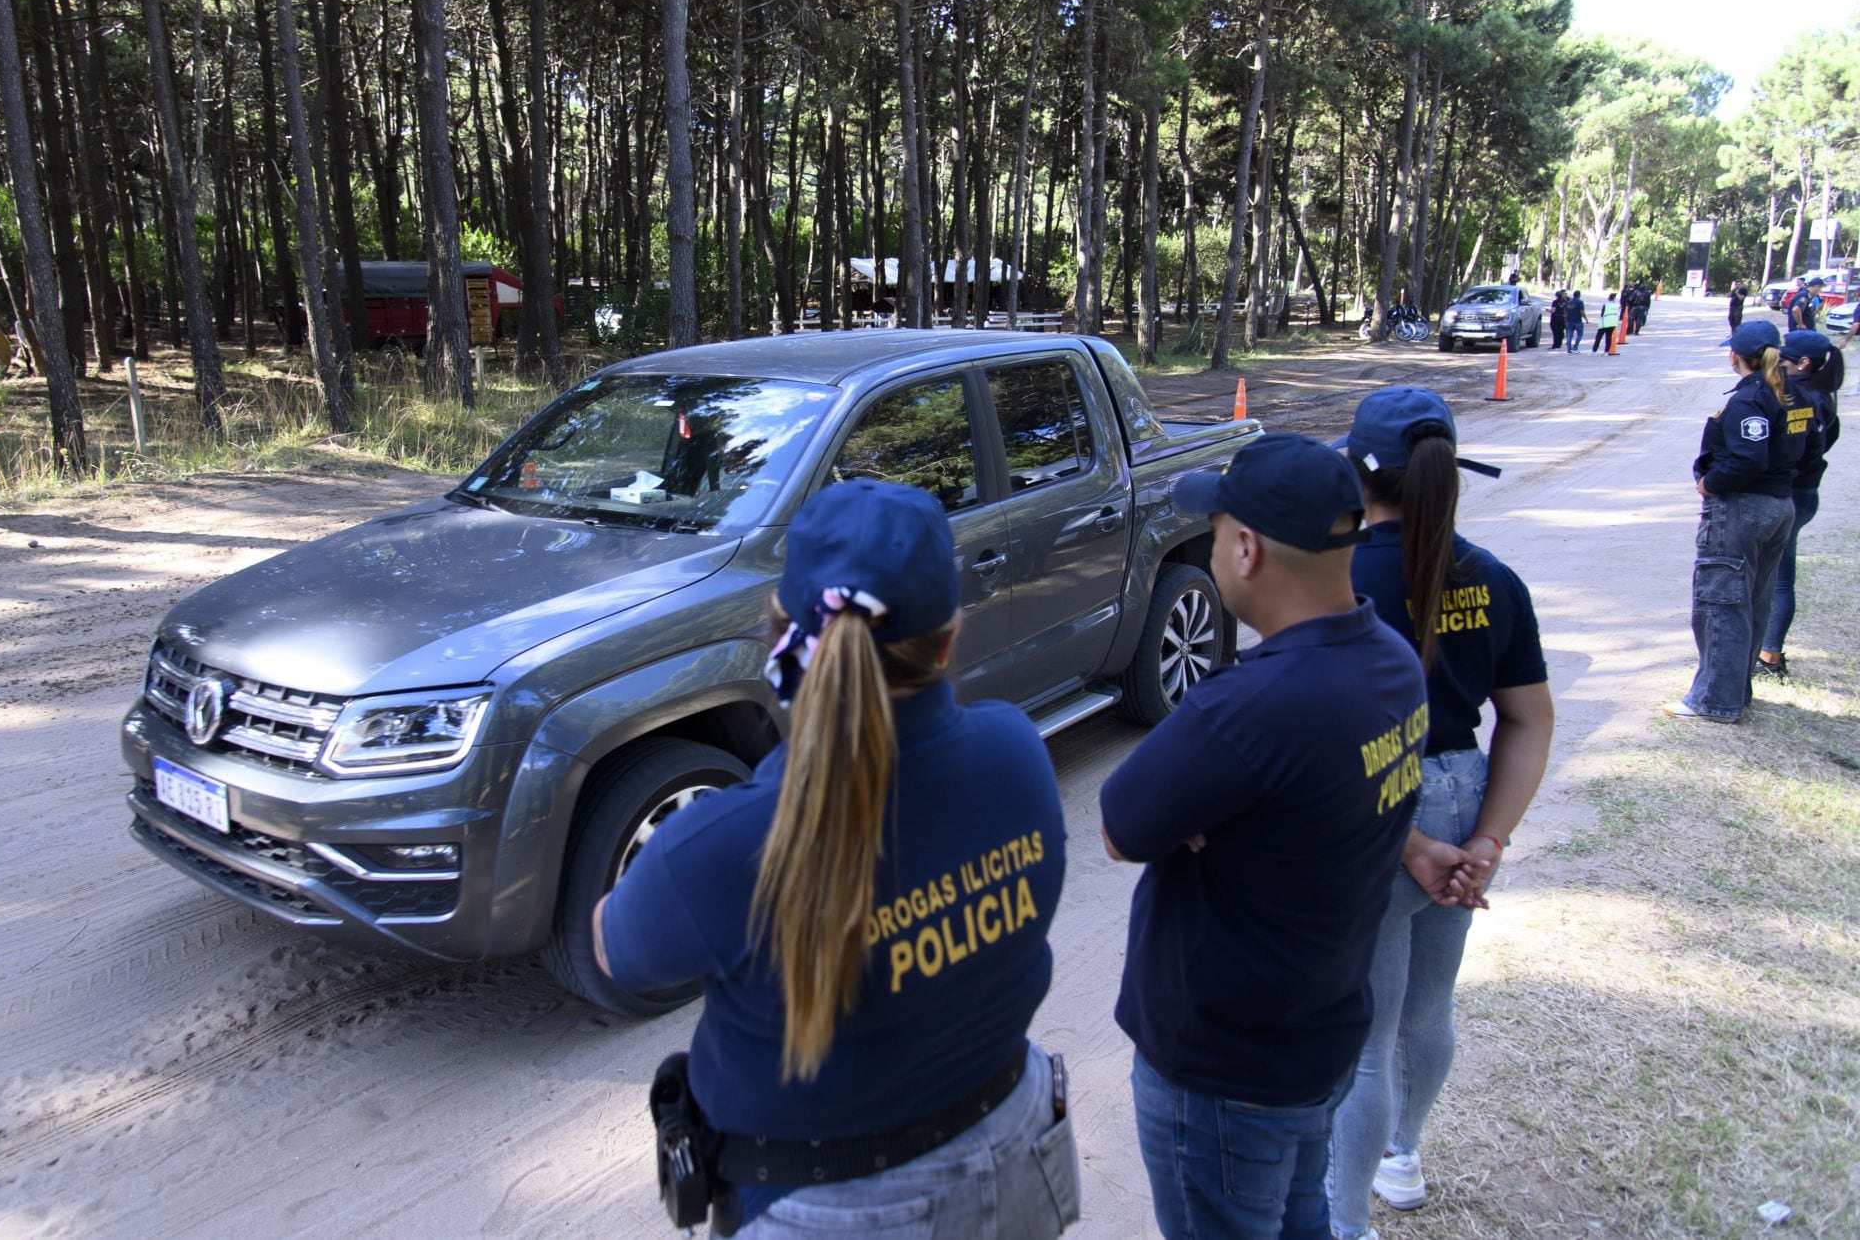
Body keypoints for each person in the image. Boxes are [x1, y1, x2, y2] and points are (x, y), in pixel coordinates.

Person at [594, 479, 1078, 1237]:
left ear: (782, 639)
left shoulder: (724, 844)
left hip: (824, 1208)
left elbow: (614, 949)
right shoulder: (1014, 751)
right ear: (946, 641)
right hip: (1014, 1150)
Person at [1100, 434, 1437, 1240]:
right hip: (1316, 1036)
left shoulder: (1251, 706)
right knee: (1301, 1219)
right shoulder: (1391, 661)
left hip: (1224, 1070)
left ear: (1246, 548)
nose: (1213, 547)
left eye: (1215, 531)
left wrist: (1210, 814)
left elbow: (1119, 825)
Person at [1324, 388, 1555, 1240]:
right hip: (1464, 794)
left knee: (1366, 1036)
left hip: (1378, 805)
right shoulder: (1493, 578)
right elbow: (1528, 719)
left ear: (1359, 475)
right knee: (1426, 1010)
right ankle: (1404, 1157)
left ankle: (1342, 1221)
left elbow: (1325, 738)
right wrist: (1487, 838)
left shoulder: (1340, 578)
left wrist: (1409, 838)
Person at [1664, 320, 1808, 722]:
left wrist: (1710, 482)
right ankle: (1735, 692)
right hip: (1779, 504)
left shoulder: (1749, 400)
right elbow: (1815, 445)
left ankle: (1714, 700)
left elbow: (1748, 458)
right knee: (1754, 601)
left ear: (1736, 357)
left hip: (1743, 508)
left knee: (1722, 603)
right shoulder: (1794, 393)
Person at [1758, 330, 1839, 680]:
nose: (1780, 362)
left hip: (1794, 493)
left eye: (1786, 358)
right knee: (1776, 577)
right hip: (1802, 492)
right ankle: (1767, 651)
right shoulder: (1819, 394)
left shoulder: (1809, 399)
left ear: (1803, 363)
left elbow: (1803, 451)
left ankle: (1769, 656)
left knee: (1778, 580)